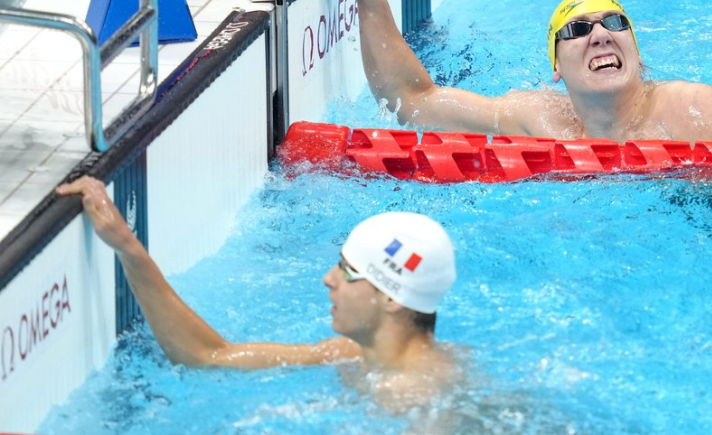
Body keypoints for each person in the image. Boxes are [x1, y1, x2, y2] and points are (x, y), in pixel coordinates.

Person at [55, 176, 460, 410]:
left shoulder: (412, 401)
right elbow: (210, 357)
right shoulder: (352, 355)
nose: (327, 279)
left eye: (348, 271)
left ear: (391, 298)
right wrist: (130, 249)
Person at [337, 0, 712, 143]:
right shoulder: (536, 118)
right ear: (557, 68)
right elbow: (412, 102)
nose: (600, 35)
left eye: (615, 23)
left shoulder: (693, 109)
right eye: (578, 29)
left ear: (635, 48)